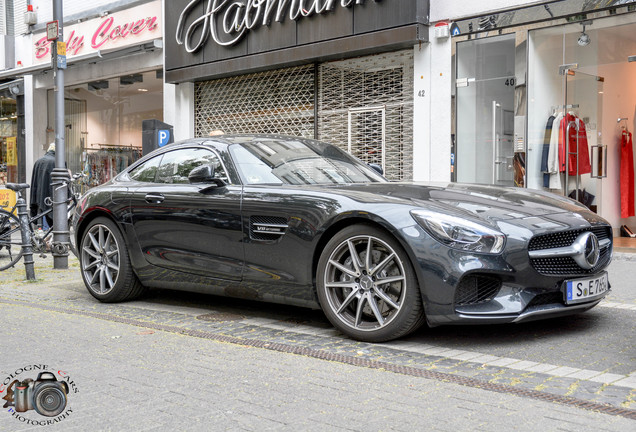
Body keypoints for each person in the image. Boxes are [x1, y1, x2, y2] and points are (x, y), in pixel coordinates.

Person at [30, 142, 56, 230]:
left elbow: (34, 182)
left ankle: (41, 235)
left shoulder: (38, 161)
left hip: (38, 196)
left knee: (41, 218)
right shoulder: (58, 162)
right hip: (51, 197)